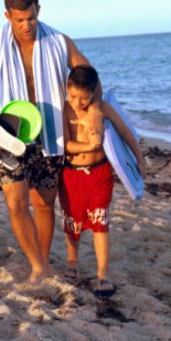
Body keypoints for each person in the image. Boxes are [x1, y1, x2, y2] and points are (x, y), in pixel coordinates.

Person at [0, 0, 103, 283]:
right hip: (11, 138)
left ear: (38, 10)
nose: (26, 26)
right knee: (16, 204)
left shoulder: (59, 41)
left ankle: (42, 259)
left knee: (44, 204)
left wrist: (94, 111)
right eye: (19, 20)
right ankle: (37, 266)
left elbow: (90, 76)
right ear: (7, 16)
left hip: (51, 137)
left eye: (31, 18)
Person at [59, 65, 146, 297]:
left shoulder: (103, 108)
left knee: (100, 221)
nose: (77, 103)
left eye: (83, 99)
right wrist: (88, 145)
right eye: (73, 96)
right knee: (72, 221)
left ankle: (103, 274)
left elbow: (125, 132)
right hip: (71, 173)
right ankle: (72, 262)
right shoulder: (64, 111)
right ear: (67, 89)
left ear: (94, 93)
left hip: (99, 173)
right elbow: (66, 145)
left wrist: (139, 158)